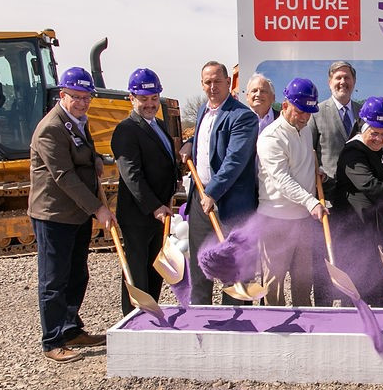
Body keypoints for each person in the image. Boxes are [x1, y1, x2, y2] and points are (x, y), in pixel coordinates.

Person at [27, 67, 114, 363]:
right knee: (54, 279)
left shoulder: (77, 120)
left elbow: (82, 151)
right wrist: (98, 208)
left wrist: (97, 160)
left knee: (77, 273)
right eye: (75, 97)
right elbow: (64, 176)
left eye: (86, 97)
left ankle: (71, 328)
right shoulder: (51, 127)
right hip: (54, 215)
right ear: (62, 95)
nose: (81, 102)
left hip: (75, 215)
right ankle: (52, 340)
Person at [180, 61, 259, 305]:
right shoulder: (204, 109)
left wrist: (212, 192)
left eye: (217, 81)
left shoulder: (243, 117)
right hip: (200, 200)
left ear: (228, 82)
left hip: (230, 205)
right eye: (207, 82)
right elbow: (208, 136)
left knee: (232, 268)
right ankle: (201, 318)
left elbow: (234, 160)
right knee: (199, 266)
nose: (212, 87)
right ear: (202, 84)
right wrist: (189, 143)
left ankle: (237, 323)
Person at [110, 68, 179, 317]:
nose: (150, 104)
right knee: (137, 272)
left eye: (154, 98)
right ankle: (133, 319)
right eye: (144, 99)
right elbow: (132, 175)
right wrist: (154, 206)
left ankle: (151, 314)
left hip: (160, 213)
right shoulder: (126, 130)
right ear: (132, 98)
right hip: (139, 215)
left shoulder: (159, 125)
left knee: (154, 269)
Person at [333, 97, 383, 306]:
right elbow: (367, 182)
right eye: (374, 133)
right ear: (363, 127)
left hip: (382, 226)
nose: (379, 138)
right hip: (359, 227)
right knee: (363, 278)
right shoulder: (353, 151)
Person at [255, 78, 327, 306]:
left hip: (303, 220)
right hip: (275, 219)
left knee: (303, 279)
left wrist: (317, 171)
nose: (305, 117)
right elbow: (282, 179)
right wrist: (311, 201)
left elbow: (304, 161)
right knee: (274, 281)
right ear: (285, 105)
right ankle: (275, 328)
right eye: (300, 111)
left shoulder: (304, 130)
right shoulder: (270, 137)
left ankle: (305, 325)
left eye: (309, 112)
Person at [308, 60, 361, 305]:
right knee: (326, 257)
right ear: (329, 82)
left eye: (347, 78)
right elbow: (308, 151)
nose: (343, 82)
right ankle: (324, 309)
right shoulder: (316, 113)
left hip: (356, 200)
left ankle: (352, 306)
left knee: (352, 255)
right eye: (338, 78)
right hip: (327, 196)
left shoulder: (363, 112)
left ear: (354, 82)